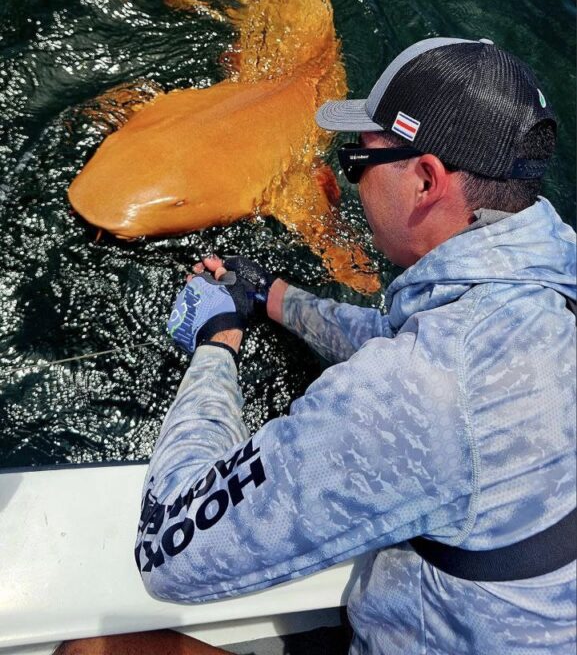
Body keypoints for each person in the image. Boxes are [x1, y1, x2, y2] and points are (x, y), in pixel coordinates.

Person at [132, 36, 576, 655]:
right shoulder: (547, 277)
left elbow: (167, 550)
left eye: (357, 161)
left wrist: (217, 340)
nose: (353, 181)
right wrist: (275, 297)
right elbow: (411, 340)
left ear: (426, 181)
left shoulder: (419, 389)